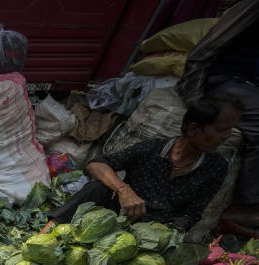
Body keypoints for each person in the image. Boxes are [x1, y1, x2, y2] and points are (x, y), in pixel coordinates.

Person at [49, 96, 242, 231]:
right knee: (98, 187)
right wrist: (124, 190)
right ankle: (47, 231)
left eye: (230, 130)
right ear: (193, 129)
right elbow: (96, 165)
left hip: (154, 231)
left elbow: (193, 212)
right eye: (221, 130)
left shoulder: (216, 166)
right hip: (120, 213)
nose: (226, 137)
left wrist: (167, 231)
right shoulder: (153, 148)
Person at [179, 0, 259, 227]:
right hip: (224, 80)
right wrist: (194, 97)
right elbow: (203, 50)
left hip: (250, 84)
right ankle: (245, 207)